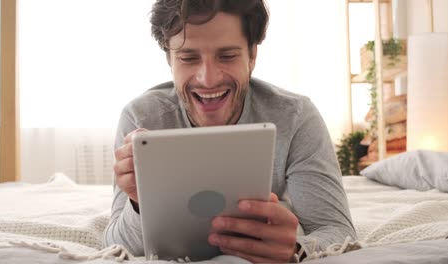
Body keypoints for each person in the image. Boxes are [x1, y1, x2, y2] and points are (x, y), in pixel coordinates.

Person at [103, 0, 356, 262]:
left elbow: (337, 230)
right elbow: (114, 246)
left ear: (252, 56)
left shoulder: (296, 117)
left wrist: (295, 249)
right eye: (188, 58)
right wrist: (138, 203)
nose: (208, 79)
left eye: (227, 56)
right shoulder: (140, 119)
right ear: (170, 60)